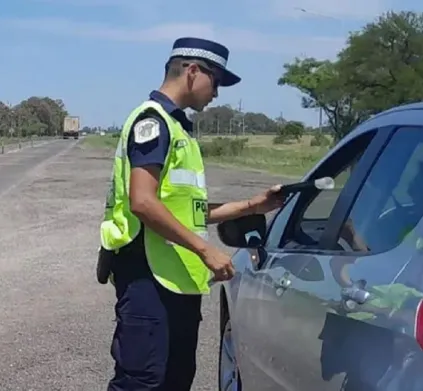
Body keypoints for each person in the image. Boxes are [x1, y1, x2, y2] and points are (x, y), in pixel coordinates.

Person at [99, 37, 285, 391]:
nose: (216, 93)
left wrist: (252, 205)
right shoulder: (153, 123)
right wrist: (205, 250)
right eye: (216, 81)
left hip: (176, 280)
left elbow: (190, 212)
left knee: (176, 378)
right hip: (147, 275)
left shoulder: (180, 128)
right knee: (142, 381)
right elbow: (143, 201)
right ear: (193, 71)